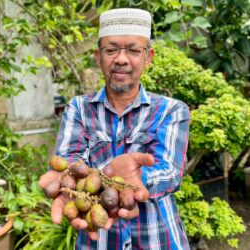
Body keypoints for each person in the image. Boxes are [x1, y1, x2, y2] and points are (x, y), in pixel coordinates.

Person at [40, 8, 190, 250]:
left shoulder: (171, 111)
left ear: (148, 57)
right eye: (111, 50)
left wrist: (137, 180)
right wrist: (79, 178)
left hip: (158, 239)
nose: (121, 59)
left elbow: (171, 173)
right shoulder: (78, 108)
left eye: (132, 50)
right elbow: (69, 161)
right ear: (98, 58)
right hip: (99, 240)